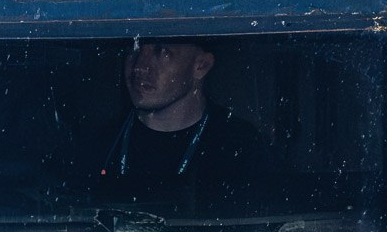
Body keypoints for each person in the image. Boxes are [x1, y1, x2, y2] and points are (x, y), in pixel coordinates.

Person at [87, 38, 261, 213]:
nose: (139, 67)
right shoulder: (97, 147)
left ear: (201, 66)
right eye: (134, 50)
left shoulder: (244, 150)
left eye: (160, 51)